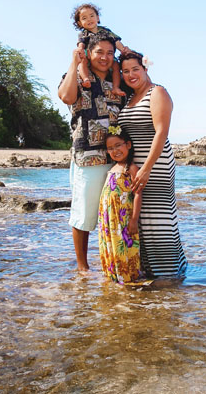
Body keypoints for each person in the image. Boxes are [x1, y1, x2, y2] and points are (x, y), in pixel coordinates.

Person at [118, 51, 187, 279]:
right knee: (141, 221)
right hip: (136, 166)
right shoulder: (128, 98)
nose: (131, 75)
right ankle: (150, 274)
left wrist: (147, 167)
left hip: (156, 164)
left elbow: (161, 132)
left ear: (145, 69)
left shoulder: (157, 92)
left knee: (158, 219)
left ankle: (168, 276)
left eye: (135, 69)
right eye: (125, 71)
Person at [58, 36, 125, 271]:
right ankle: (83, 267)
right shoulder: (77, 77)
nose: (105, 57)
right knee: (84, 214)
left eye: (109, 52)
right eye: (99, 52)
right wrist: (74, 62)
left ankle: (115, 262)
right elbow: (66, 97)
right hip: (88, 156)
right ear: (88, 53)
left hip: (118, 158)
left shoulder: (119, 82)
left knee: (118, 213)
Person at [97, 126, 144, 285]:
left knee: (123, 247)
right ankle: (113, 277)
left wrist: (134, 219)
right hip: (109, 220)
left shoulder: (131, 168)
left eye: (118, 145)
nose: (115, 150)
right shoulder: (112, 168)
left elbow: (138, 194)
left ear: (128, 145)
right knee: (110, 246)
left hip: (122, 219)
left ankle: (128, 280)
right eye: (110, 148)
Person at [71, 3, 130, 96]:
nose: (89, 19)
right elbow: (81, 44)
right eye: (84, 18)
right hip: (88, 55)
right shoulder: (83, 34)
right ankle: (85, 78)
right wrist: (80, 50)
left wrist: (123, 50)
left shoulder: (106, 31)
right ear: (79, 23)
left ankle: (116, 87)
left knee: (116, 65)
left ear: (97, 18)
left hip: (106, 55)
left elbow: (116, 42)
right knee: (83, 61)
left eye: (91, 16)